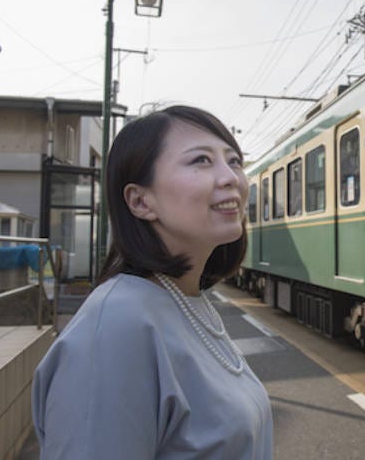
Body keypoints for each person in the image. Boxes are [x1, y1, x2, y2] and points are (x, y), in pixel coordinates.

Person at [31, 105, 273, 459]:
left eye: (234, 161)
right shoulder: (113, 330)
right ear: (141, 201)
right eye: (201, 161)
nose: (230, 178)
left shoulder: (185, 301)